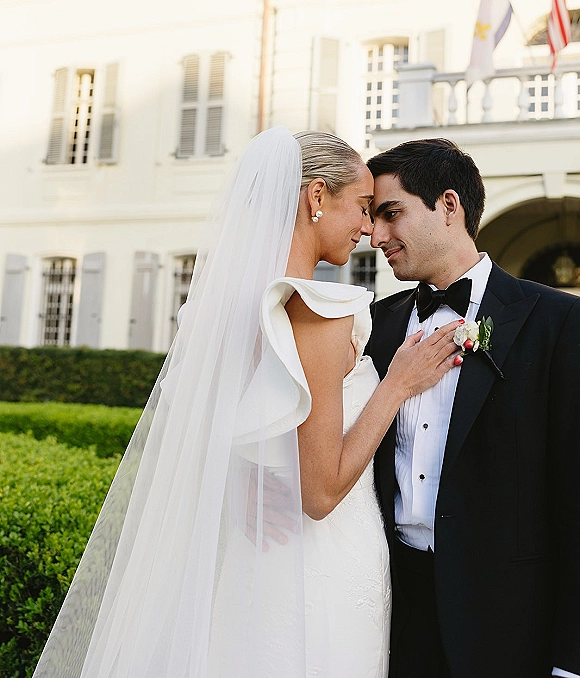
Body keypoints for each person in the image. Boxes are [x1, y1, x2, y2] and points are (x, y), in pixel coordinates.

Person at [33, 127, 460, 678]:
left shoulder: (223, 309)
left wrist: (244, 482)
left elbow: (213, 434)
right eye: (360, 207)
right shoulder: (318, 310)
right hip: (322, 563)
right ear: (314, 198)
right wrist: (396, 385)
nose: (368, 229)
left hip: (252, 560)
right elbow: (321, 491)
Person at [365, 137, 580, 678]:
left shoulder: (557, 323)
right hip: (388, 613)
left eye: (391, 214)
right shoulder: (374, 326)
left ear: (449, 206)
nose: (375, 235)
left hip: (509, 623)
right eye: (371, 219)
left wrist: (570, 658)